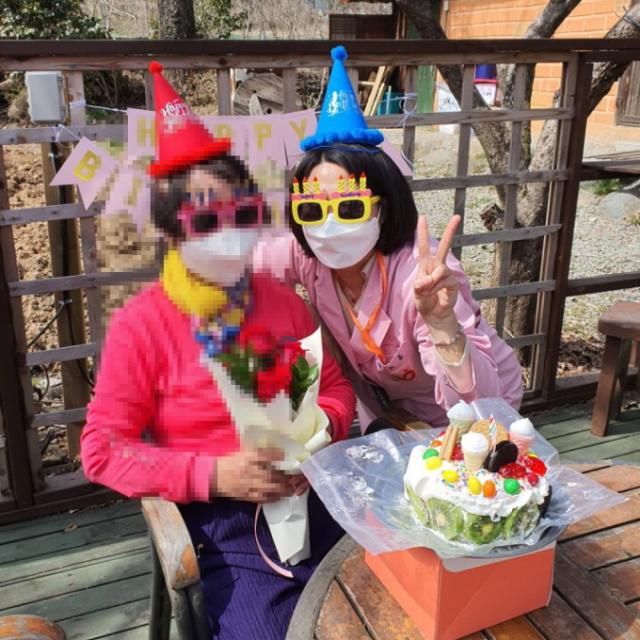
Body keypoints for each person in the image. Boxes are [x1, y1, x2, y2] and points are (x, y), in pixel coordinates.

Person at [80, 62, 355, 640]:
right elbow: (103, 449)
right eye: (205, 219)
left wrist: (316, 437)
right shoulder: (142, 325)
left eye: (244, 214)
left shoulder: (283, 302)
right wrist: (214, 474)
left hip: (314, 490)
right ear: (170, 234)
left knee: (387, 603)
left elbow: (333, 389)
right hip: (220, 520)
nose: (229, 232)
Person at [254, 46, 523, 431]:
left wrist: (442, 323)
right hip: (385, 412)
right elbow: (236, 265)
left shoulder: (421, 275)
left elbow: (479, 402)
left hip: (465, 412)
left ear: (384, 205)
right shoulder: (307, 255)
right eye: (311, 209)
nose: (328, 225)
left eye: (350, 208)